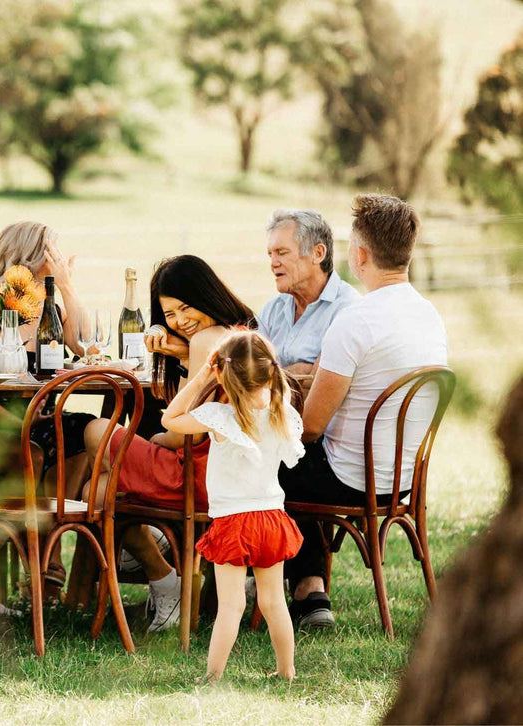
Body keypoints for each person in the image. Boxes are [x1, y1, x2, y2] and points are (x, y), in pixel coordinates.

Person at [282, 193, 449, 629]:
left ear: (358, 256)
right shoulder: (430, 316)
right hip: (402, 480)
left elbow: (311, 427)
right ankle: (305, 587)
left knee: (270, 460)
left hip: (350, 480)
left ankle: (294, 588)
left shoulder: (356, 319)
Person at [83, 254, 257, 632]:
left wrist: (156, 441)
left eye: (185, 308)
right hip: (236, 479)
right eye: (170, 314)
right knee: (95, 490)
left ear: (207, 296)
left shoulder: (206, 341)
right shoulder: (241, 334)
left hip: (199, 479)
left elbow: (182, 431)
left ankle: (163, 578)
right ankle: (165, 578)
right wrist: (180, 351)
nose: (180, 321)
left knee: (95, 432)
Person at [0, 221, 95, 596]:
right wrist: (19, 424)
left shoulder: (49, 304)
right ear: (35, 255)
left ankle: (47, 557)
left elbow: (85, 345)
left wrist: (66, 285)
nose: (61, 257)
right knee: (39, 450)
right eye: (54, 251)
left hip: (43, 421)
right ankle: (44, 563)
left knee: (82, 432)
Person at [163, 331, 304, 682]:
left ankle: (213, 676)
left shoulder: (220, 417)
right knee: (274, 603)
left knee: (231, 605)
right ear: (271, 372)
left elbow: (170, 419)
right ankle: (286, 671)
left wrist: (200, 379)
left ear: (224, 374)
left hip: (234, 523)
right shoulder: (281, 411)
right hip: (272, 519)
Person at [257, 209, 360, 375]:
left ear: (318, 253)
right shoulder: (272, 309)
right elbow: (248, 375)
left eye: (282, 253)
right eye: (270, 255)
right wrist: (297, 373)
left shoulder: (348, 308)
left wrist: (272, 374)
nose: (273, 263)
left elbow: (321, 384)